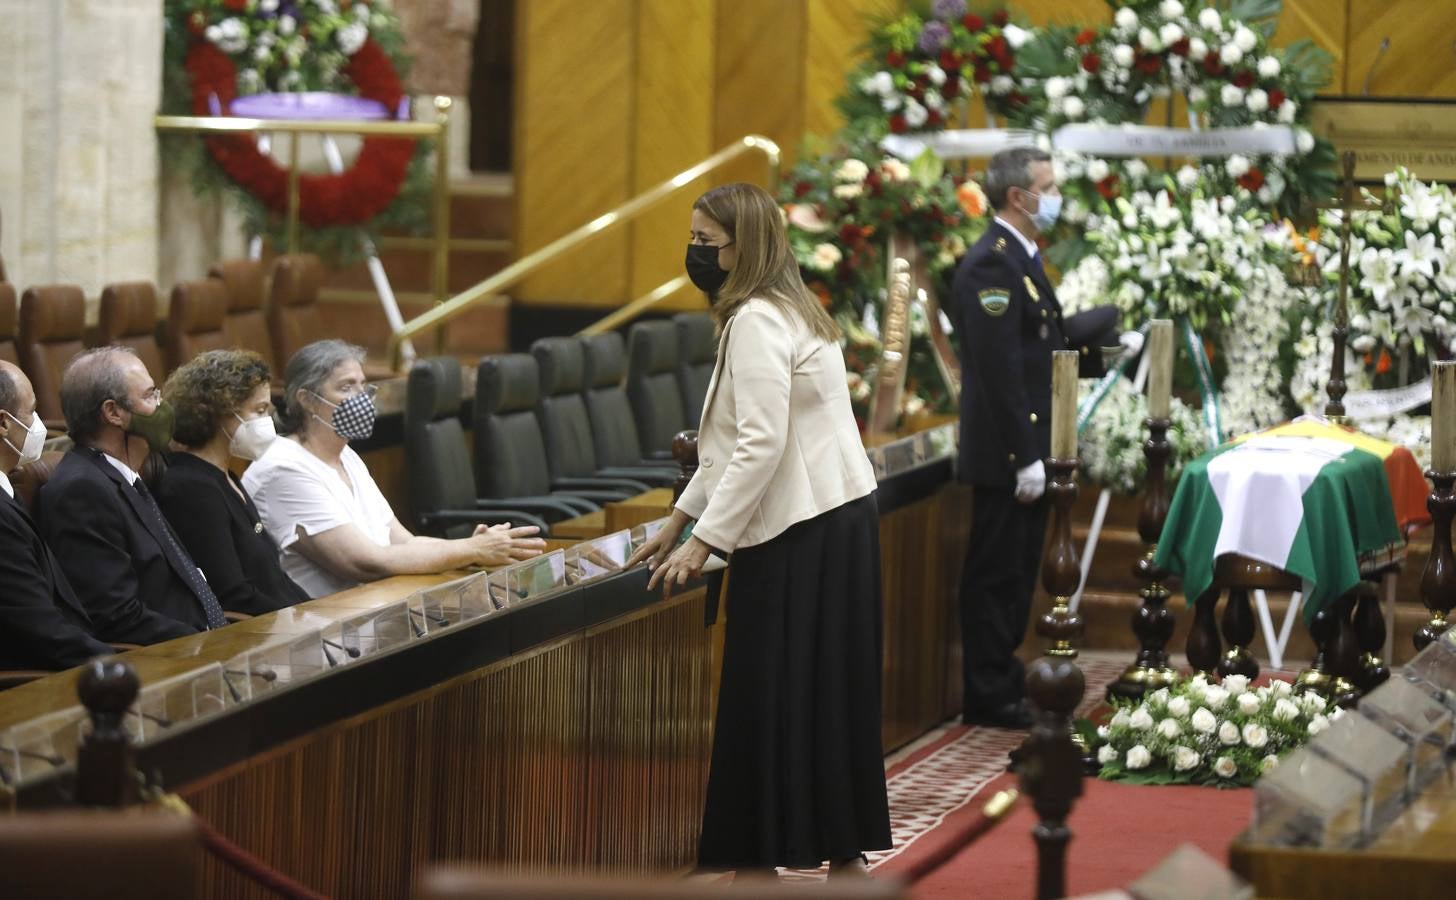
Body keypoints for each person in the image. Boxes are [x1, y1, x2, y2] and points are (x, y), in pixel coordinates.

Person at [627, 183, 891, 878]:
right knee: (829, 688)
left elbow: (760, 445)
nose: (696, 255)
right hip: (836, 521)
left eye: (708, 244)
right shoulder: (790, 308)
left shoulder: (756, 321)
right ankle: (841, 851)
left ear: (746, 246)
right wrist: (680, 517)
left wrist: (704, 542)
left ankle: (757, 858)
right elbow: (736, 442)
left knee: (766, 687)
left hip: (803, 529)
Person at [952, 146, 1138, 728]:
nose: (1056, 197)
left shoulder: (1023, 259)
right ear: (1019, 197)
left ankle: (1004, 681)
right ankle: (988, 691)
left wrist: (1109, 355)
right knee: (995, 577)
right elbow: (1000, 368)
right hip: (1009, 455)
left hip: (1029, 448)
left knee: (1015, 575)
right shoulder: (992, 265)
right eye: (1049, 187)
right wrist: (1024, 457)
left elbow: (1044, 353)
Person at [242, 339, 546, 598]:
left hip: (371, 613)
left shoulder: (346, 455)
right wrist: (472, 550)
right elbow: (365, 563)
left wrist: (471, 548)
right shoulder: (283, 468)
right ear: (307, 400)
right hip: (319, 636)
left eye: (363, 385)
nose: (361, 398)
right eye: (346, 387)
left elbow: (404, 542)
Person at [38, 347, 222, 644]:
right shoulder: (82, 491)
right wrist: (209, 645)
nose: (163, 406)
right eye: (150, 396)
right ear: (113, 412)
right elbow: (117, 616)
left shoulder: (125, 475)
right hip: (170, 663)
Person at [156, 349, 309, 616]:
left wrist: (318, 612)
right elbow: (232, 594)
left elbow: (273, 577)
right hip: (257, 637)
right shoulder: (189, 489)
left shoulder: (226, 477)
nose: (266, 421)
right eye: (259, 410)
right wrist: (300, 621)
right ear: (216, 413)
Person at [0, 360, 113, 670]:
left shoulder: (6, 487)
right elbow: (40, 628)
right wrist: (122, 666)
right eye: (32, 410)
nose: (39, 423)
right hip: (43, 685)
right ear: (3, 424)